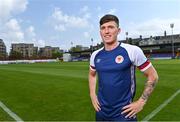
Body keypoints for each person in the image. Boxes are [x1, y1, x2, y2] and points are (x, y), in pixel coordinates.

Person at [88, 14, 158, 121]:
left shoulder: (132, 51)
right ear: (100, 32)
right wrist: (92, 94)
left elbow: (153, 76)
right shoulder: (95, 55)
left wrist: (141, 101)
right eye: (103, 28)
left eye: (111, 27)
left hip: (124, 114)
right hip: (101, 112)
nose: (106, 31)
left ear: (118, 30)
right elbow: (92, 75)